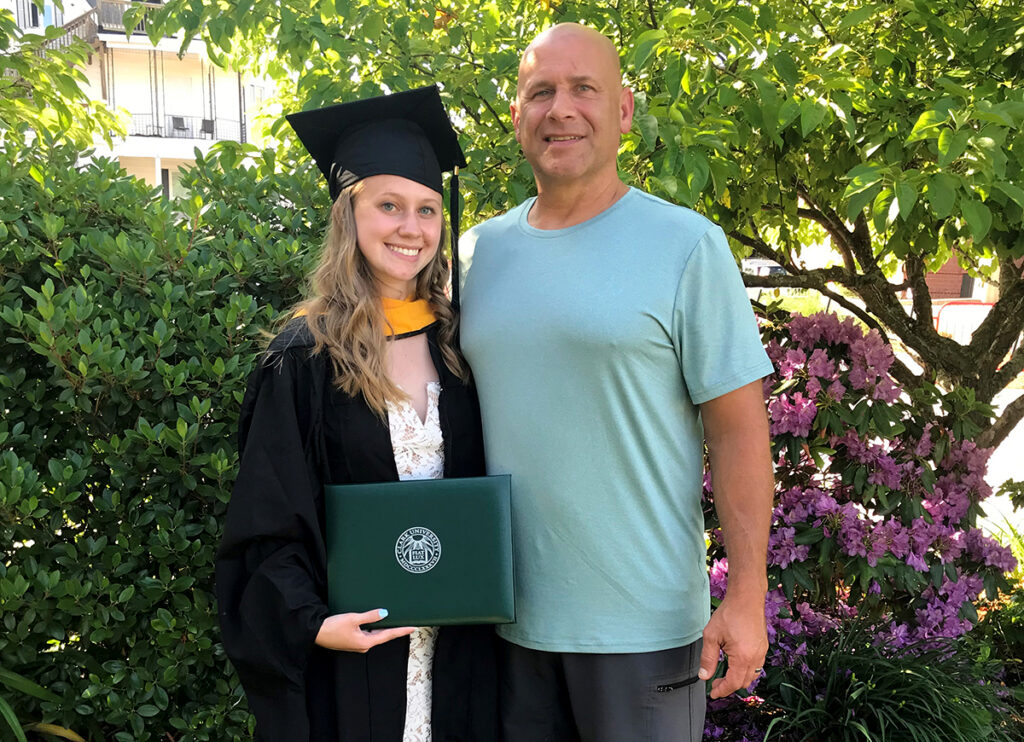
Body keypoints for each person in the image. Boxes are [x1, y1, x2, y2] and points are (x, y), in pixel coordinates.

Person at [459, 23, 775, 741]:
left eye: (584, 89)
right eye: (540, 91)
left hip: (644, 629)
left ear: (624, 111)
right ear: (517, 116)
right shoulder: (475, 253)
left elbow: (738, 430)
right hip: (504, 621)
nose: (560, 109)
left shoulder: (687, 246)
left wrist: (747, 593)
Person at [216, 86, 498, 742]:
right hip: (355, 661)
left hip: (461, 654)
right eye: (389, 205)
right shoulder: (304, 357)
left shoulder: (461, 343)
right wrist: (311, 622)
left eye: (428, 209)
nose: (411, 227)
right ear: (349, 214)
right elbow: (266, 517)